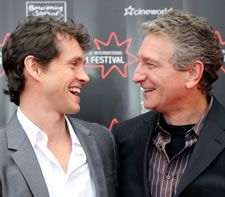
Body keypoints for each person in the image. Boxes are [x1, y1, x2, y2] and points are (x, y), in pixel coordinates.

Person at [0, 16, 118, 197]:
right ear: (35, 68)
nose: (85, 77)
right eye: (73, 64)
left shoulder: (101, 140)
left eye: (82, 66)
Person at [112, 9, 225, 197]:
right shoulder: (124, 138)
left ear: (192, 73)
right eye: (139, 62)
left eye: (151, 64)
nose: (136, 76)